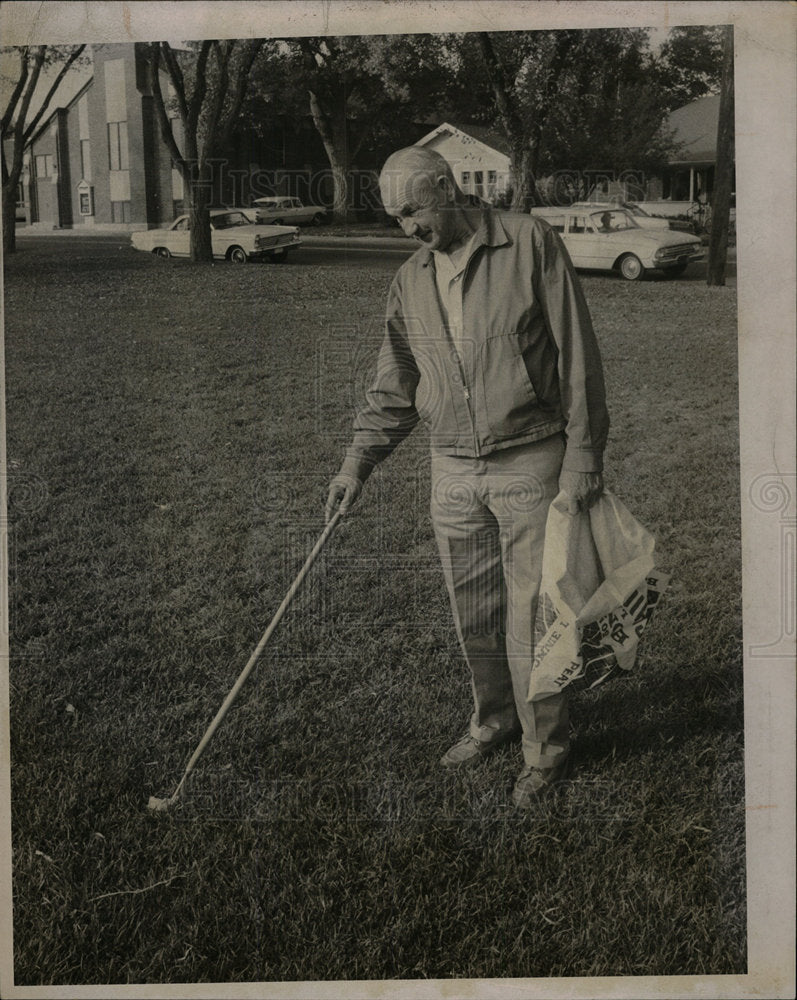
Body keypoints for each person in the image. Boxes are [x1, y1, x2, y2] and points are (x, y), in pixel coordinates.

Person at [325, 146, 609, 808]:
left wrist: (584, 456)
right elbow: (394, 383)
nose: (406, 230)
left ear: (448, 189)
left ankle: (545, 749)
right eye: (395, 217)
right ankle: (493, 719)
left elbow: (576, 354)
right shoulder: (409, 278)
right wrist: (355, 461)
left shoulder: (529, 242)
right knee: (472, 614)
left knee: (533, 617)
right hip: (450, 466)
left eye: (413, 212)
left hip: (530, 457)